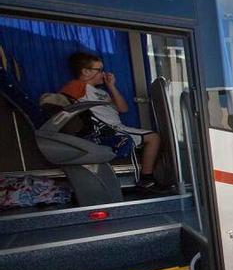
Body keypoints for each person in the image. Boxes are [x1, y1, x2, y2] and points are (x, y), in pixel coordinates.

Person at [60, 52, 162, 190]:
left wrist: (111, 86)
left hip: (118, 126)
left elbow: (123, 108)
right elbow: (63, 98)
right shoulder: (79, 86)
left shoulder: (102, 92)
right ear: (85, 71)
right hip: (106, 129)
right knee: (153, 138)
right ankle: (147, 178)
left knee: (154, 136)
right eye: (99, 70)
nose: (104, 73)